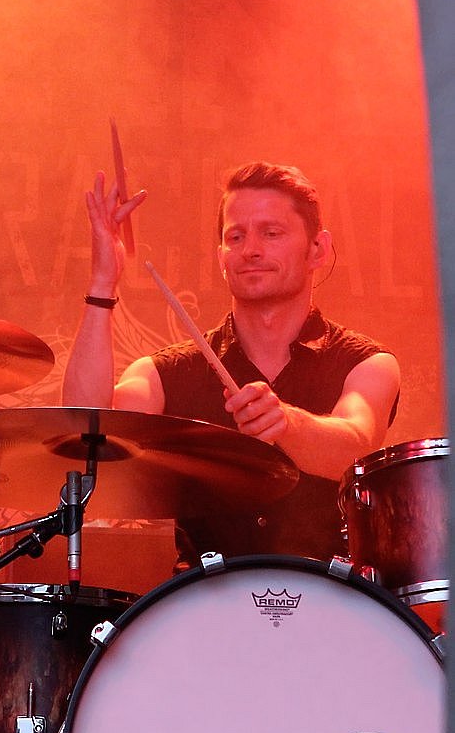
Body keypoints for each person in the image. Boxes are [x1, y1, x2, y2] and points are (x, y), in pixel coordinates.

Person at [62, 161, 400, 568]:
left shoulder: (366, 363)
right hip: (204, 599)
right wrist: (102, 282)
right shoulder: (166, 374)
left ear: (318, 249)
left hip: (326, 598)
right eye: (235, 236)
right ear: (221, 256)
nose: (251, 249)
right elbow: (86, 434)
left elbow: (357, 447)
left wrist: (287, 423)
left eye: (271, 233)